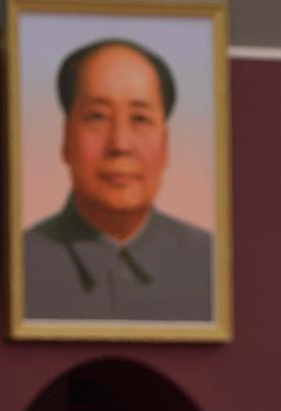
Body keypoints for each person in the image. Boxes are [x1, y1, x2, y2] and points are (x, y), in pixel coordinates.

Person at [22, 38, 213, 323]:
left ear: (166, 144)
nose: (120, 144)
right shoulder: (22, 263)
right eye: (97, 117)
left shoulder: (212, 264)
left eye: (139, 119)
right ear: (65, 139)